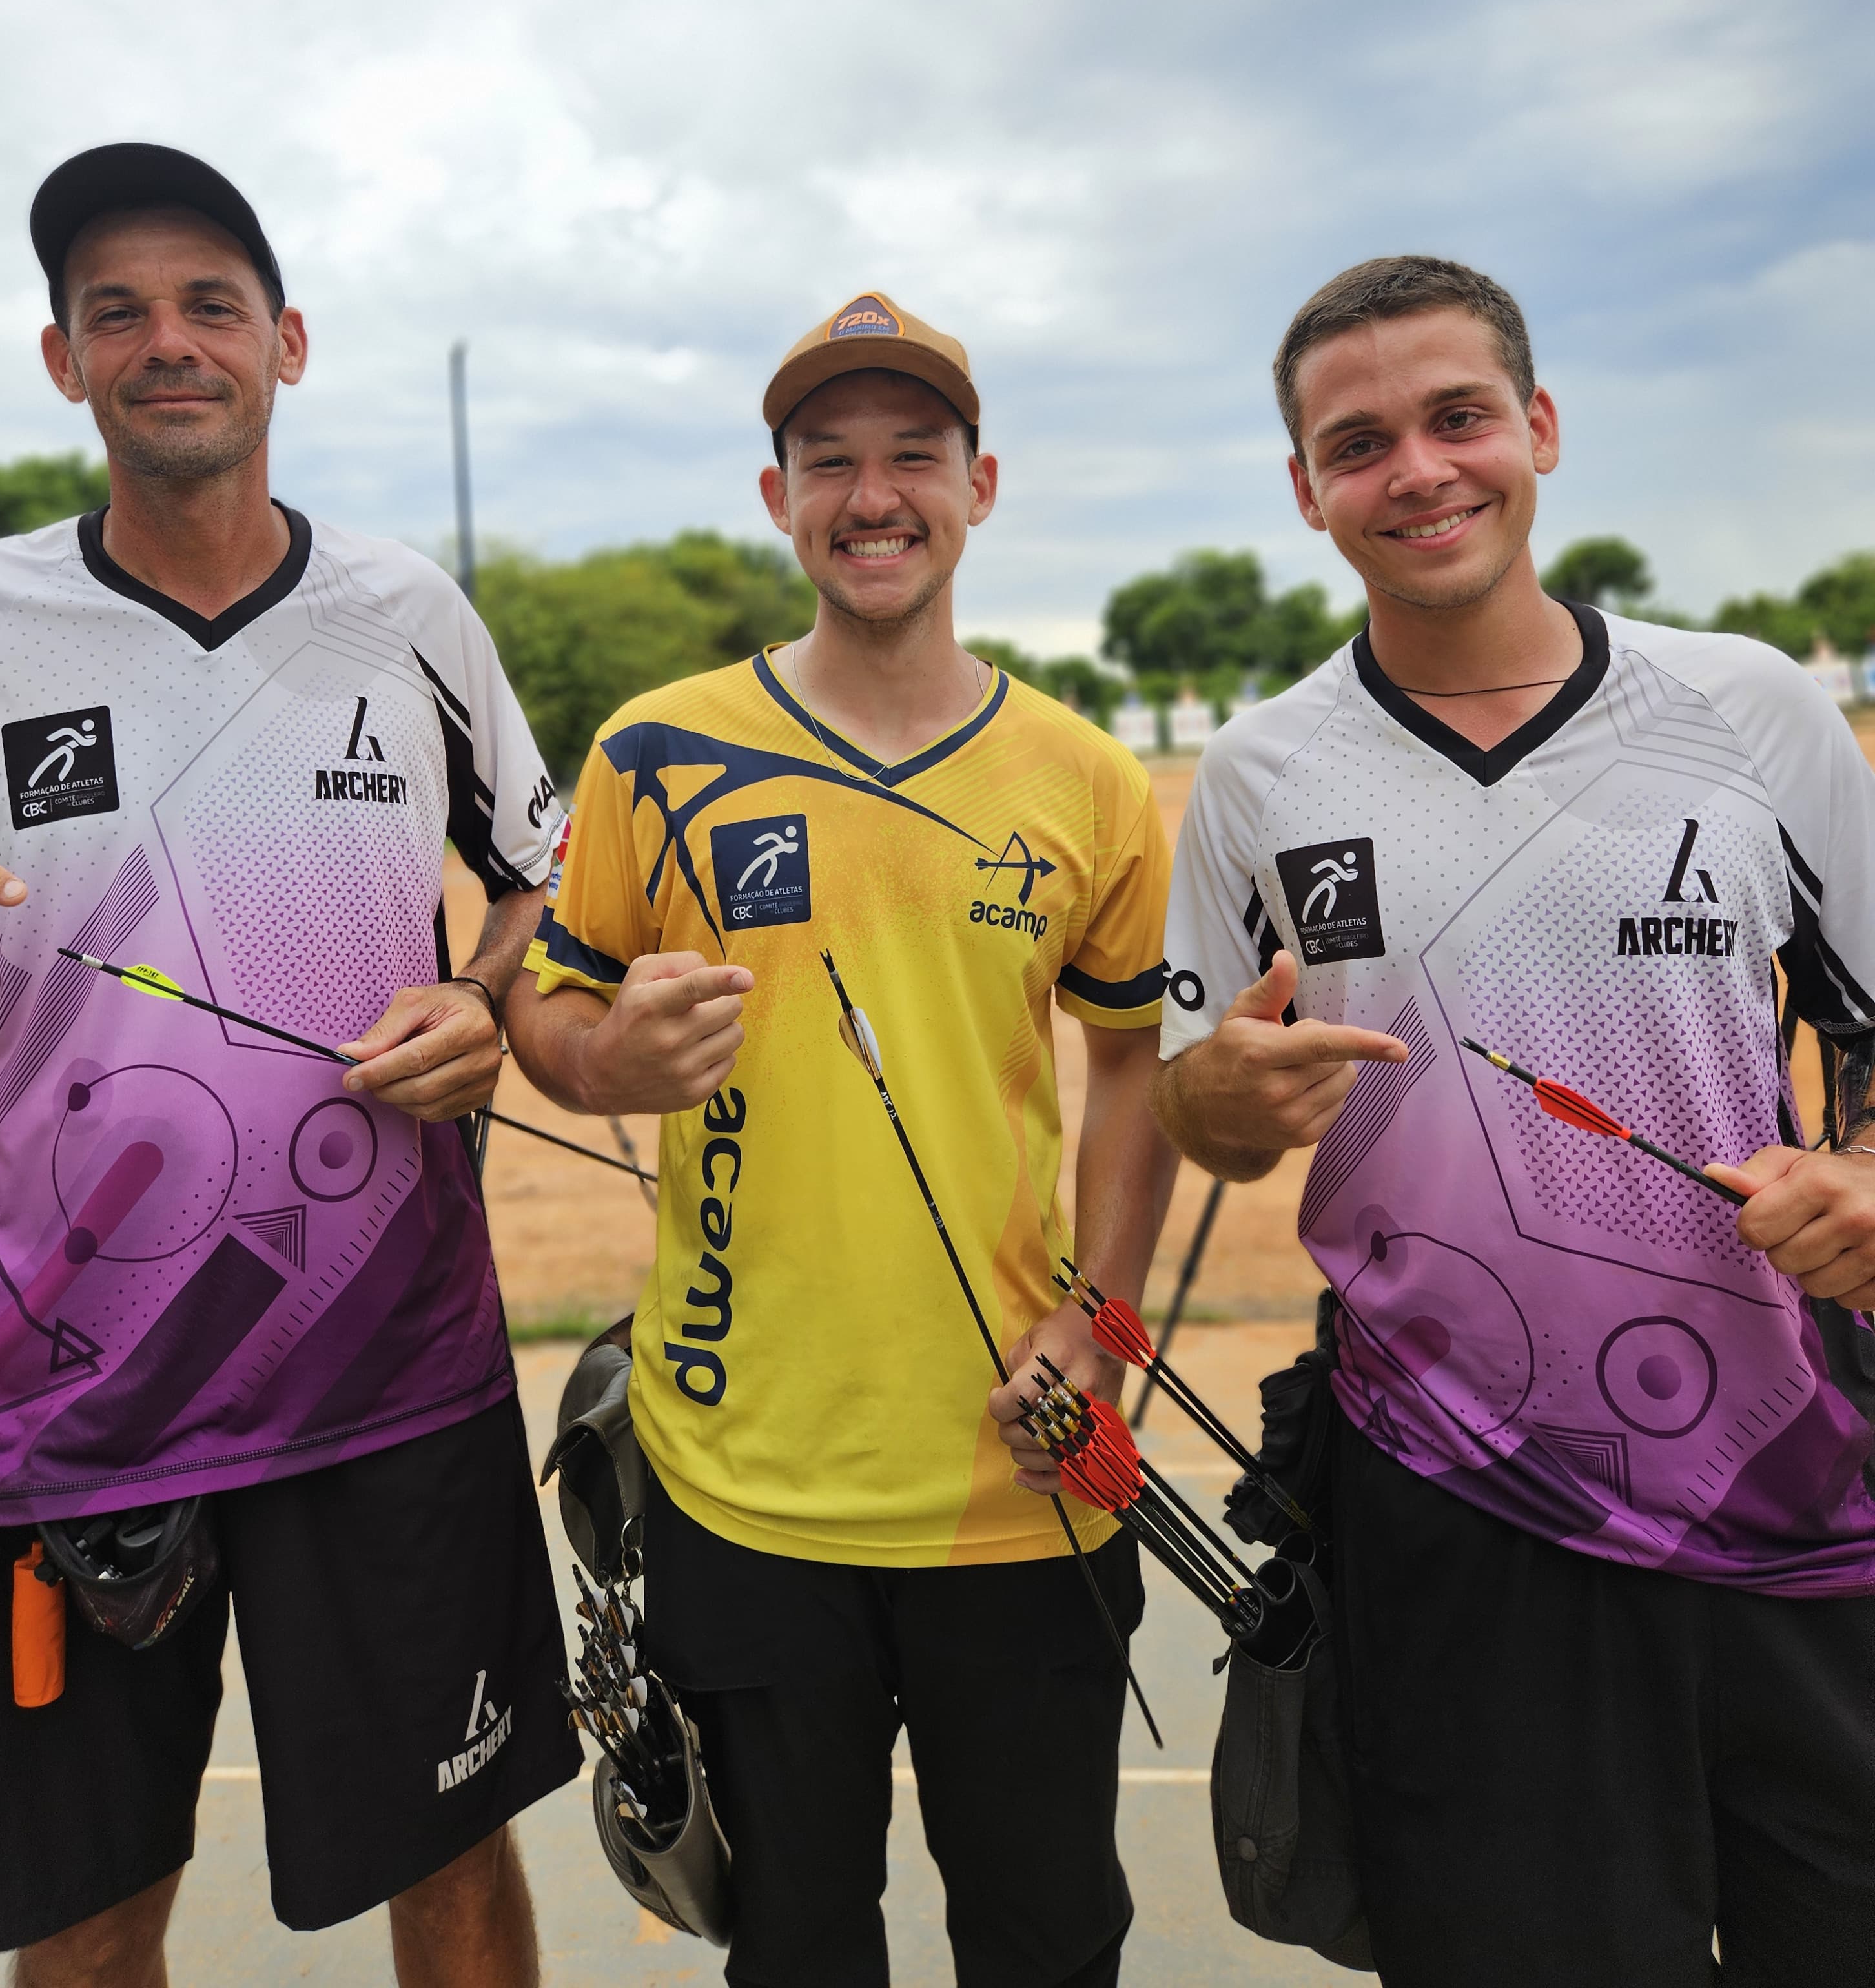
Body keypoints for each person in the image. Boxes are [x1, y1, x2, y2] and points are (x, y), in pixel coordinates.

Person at [1153, 252, 1875, 1987]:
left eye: (1458, 417)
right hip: (1456, 1500)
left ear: (1539, 427)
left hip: (1795, 1478)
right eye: (1359, 443)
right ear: (1308, 490)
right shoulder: (1258, 775)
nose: (1418, 470)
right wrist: (1220, 1099)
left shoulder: (1754, 710)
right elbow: (1204, 1105)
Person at [0, 145, 576, 1984]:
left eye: (211, 305)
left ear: (285, 344)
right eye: (117, 311)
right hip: (57, 1399)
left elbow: (539, 882)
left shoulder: (408, 614)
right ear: (62, 361)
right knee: (84, 1923)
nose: (169, 342)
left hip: (388, 1370)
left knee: (453, 1869)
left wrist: (483, 1002)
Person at [507, 291, 1177, 1988]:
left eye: (914, 457)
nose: (873, 497)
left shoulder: (1090, 779)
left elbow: (1134, 1072)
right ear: (777, 497)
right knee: (796, 1947)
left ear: (982, 485)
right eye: (828, 462)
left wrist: (1099, 1330)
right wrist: (604, 1057)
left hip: (1033, 1466)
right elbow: (551, 1016)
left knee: (1051, 1940)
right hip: (740, 1481)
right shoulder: (654, 752)